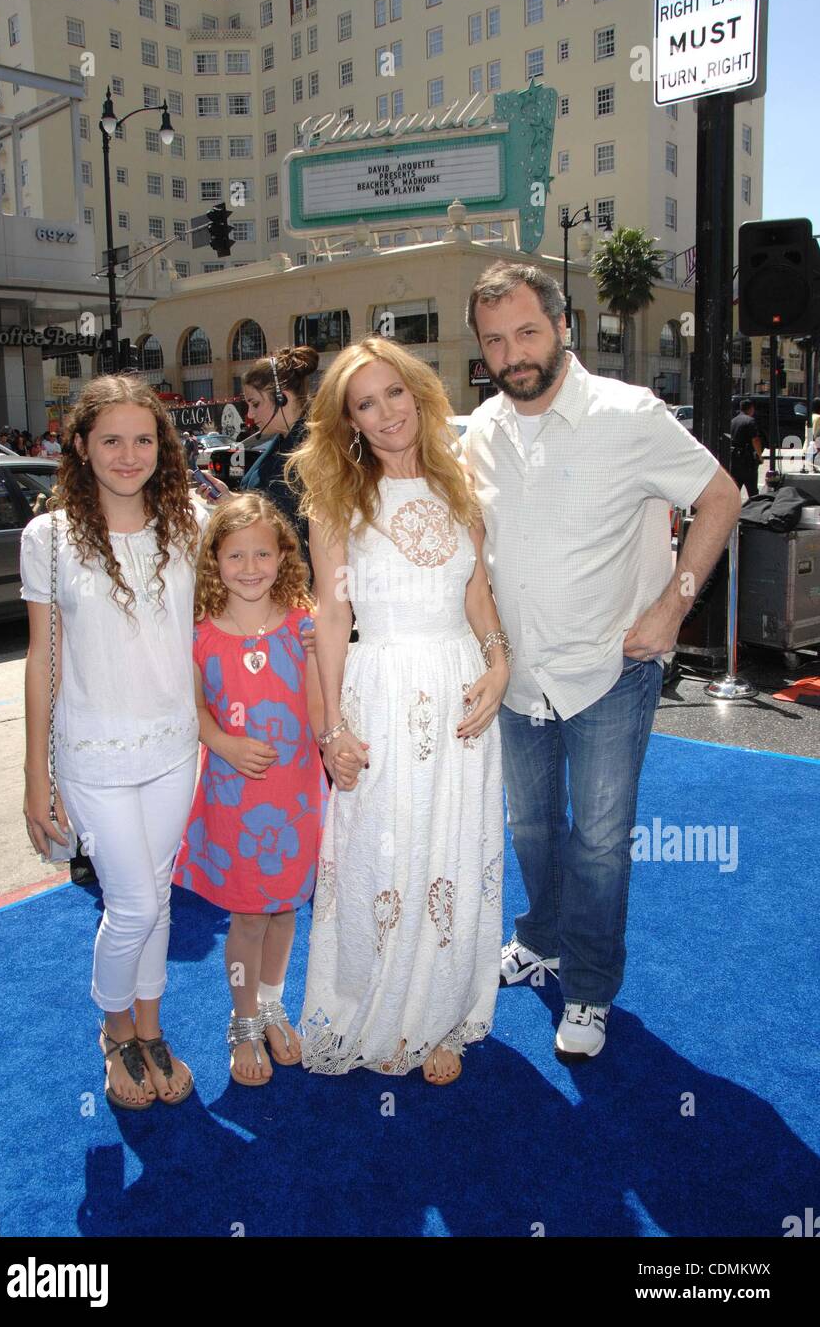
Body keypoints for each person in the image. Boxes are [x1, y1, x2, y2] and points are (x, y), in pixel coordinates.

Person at [463, 260, 742, 1059]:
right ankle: (541, 936)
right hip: (519, 675)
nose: (512, 352)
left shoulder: (630, 414)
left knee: (599, 840)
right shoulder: (481, 429)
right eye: (493, 340)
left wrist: (672, 604)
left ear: (561, 327)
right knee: (529, 826)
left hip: (611, 671)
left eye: (524, 331)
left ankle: (587, 988)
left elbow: (720, 496)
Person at [287, 335, 509, 1085]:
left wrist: (500, 659)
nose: (385, 414)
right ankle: (377, 1003)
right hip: (379, 691)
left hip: (460, 687)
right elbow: (327, 617)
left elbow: (476, 593)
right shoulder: (336, 501)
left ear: (418, 393)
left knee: (453, 847)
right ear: (347, 420)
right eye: (363, 404)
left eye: (393, 394)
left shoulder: (462, 486)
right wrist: (330, 728)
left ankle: (443, 1014)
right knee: (380, 852)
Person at [21, 373, 225, 1111]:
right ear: (79, 446)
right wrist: (33, 778)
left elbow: (230, 608)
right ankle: (113, 1031)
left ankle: (151, 1027)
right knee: (133, 905)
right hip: (92, 754)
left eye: (144, 439)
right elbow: (43, 657)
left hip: (174, 746)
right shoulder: (47, 537)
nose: (129, 454)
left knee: (158, 900)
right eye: (111, 439)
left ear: (162, 446)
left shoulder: (192, 520)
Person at [172, 493, 328, 1086]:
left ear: (284, 555)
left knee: (286, 906)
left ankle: (271, 1002)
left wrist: (334, 738)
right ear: (214, 560)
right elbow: (196, 713)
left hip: (294, 795)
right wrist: (226, 744)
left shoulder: (301, 624)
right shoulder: (200, 634)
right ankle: (242, 1019)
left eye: (263, 553)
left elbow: (317, 710)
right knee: (248, 914)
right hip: (236, 798)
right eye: (236, 555)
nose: (250, 566)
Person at [238, 345, 319, 576]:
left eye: (255, 403)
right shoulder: (280, 443)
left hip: (298, 580)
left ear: (282, 398)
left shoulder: (314, 449)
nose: (250, 415)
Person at [730, 398, 763, 498]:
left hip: (734, 458)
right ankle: (754, 511)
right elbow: (755, 440)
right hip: (747, 460)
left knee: (735, 488)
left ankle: (731, 511)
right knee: (752, 490)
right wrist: (760, 456)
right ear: (751, 408)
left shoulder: (733, 421)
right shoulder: (750, 421)